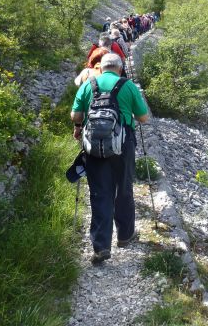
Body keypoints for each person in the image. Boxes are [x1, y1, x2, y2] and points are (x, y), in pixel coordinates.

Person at [71, 53, 149, 264]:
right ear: (120, 68)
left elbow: (76, 116)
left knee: (100, 193)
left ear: (101, 67)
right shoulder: (128, 85)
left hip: (94, 147)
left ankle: (101, 246)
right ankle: (125, 236)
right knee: (123, 188)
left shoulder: (89, 85)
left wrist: (79, 127)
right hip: (123, 145)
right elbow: (143, 117)